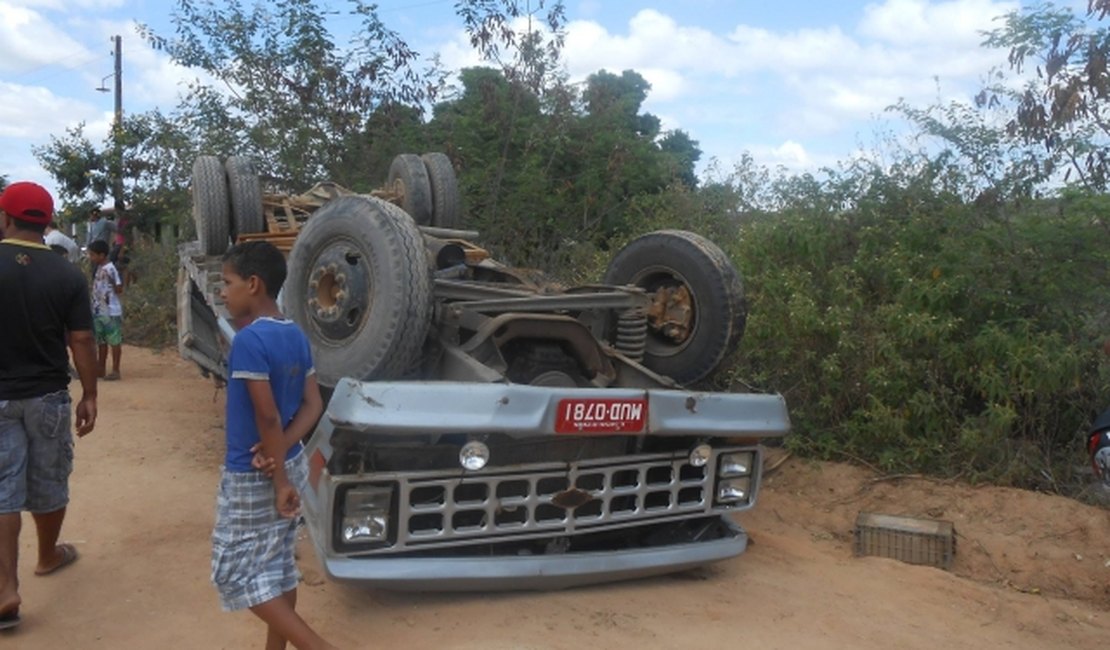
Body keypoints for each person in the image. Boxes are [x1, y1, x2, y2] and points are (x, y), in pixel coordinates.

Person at [212, 241, 335, 650]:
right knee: (278, 566)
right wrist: (283, 452)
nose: (222, 293)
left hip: (256, 473)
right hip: (289, 461)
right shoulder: (295, 335)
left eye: (227, 283)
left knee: (236, 572)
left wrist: (277, 472)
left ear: (253, 284)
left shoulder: (248, 341)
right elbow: (313, 403)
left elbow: (265, 416)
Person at [0, 182, 98, 632]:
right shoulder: (67, 275)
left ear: (6, 218)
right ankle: (47, 556)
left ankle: (5, 590)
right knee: (48, 479)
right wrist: (90, 394)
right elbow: (81, 339)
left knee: (3, 490)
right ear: (46, 221)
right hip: (47, 396)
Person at [87, 240, 124, 381]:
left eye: (92, 255)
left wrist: (112, 281)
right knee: (101, 340)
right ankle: (101, 368)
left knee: (114, 340)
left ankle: (115, 370)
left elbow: (119, 289)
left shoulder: (110, 269)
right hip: (99, 310)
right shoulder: (100, 267)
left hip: (111, 310)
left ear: (102, 255)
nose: (91, 257)